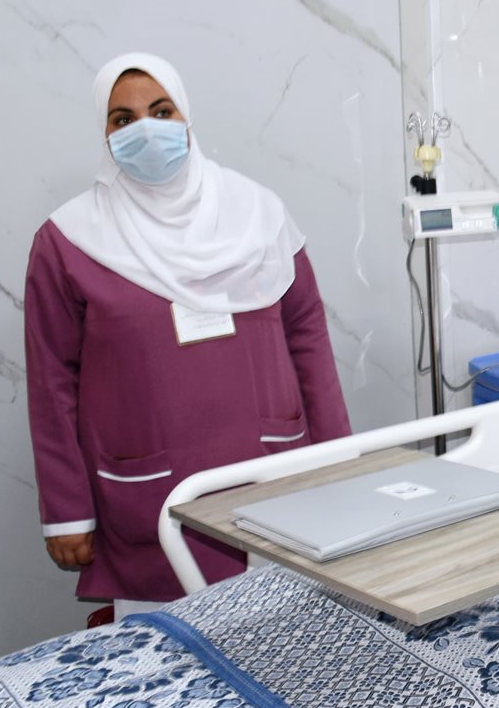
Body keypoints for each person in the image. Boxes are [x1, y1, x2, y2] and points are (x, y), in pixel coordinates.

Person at [25, 52, 351, 617]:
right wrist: (67, 511)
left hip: (274, 482)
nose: (146, 130)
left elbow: (308, 341)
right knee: (167, 657)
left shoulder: (260, 215)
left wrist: (340, 463)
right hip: (148, 494)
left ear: (186, 117)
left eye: (161, 111)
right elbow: (50, 381)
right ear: (104, 134)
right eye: (123, 119)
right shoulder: (69, 241)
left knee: (286, 639)